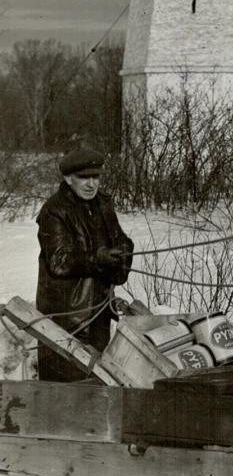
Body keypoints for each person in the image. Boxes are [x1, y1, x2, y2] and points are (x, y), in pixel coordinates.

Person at [35, 146, 134, 382]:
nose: (91, 184)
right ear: (69, 179)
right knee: (63, 386)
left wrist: (124, 252)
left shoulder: (103, 204)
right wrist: (98, 257)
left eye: (96, 177)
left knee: (97, 381)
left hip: (99, 310)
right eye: (84, 178)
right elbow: (60, 261)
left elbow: (120, 240)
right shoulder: (54, 210)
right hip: (66, 317)